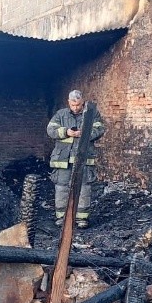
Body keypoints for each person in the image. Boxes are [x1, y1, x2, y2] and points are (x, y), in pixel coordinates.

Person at [45, 90, 105, 229]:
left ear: (82, 102)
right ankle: (62, 217)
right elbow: (51, 130)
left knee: (84, 188)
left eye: (78, 105)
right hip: (63, 160)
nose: (76, 107)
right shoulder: (61, 114)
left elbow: (100, 129)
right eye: (73, 105)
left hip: (83, 159)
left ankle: (81, 218)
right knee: (61, 188)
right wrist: (66, 132)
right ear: (68, 102)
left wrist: (85, 133)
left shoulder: (92, 114)